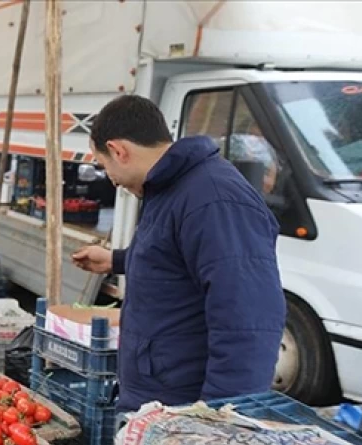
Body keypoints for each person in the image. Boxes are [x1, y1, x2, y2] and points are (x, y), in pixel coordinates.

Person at [71, 95, 285, 412]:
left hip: (183, 410)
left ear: (119, 151)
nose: (112, 181)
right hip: (159, 399)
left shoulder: (214, 198)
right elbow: (173, 259)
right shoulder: (169, 188)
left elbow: (248, 322)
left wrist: (216, 419)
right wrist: (116, 261)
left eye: (105, 166)